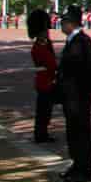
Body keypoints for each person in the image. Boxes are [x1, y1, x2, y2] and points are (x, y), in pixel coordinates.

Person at [58, 5, 91, 182]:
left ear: (71, 23)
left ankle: (84, 170)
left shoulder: (81, 42)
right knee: (73, 133)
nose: (61, 25)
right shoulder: (74, 41)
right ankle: (76, 165)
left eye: (64, 21)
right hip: (71, 95)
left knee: (81, 134)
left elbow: (87, 69)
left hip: (79, 96)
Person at [29, 9, 61, 143]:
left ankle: (42, 132)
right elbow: (51, 63)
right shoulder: (38, 47)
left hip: (47, 80)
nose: (46, 33)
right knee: (43, 111)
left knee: (46, 111)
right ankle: (40, 134)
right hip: (44, 81)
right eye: (44, 31)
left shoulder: (44, 44)